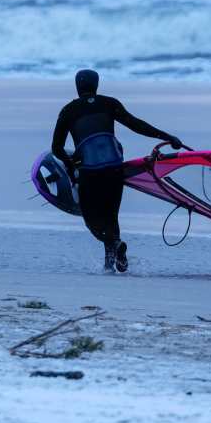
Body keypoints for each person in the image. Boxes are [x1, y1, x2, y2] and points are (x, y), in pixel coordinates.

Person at [52, 69, 183, 273]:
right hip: (114, 167)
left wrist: (72, 164)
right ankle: (110, 262)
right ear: (96, 85)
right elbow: (136, 125)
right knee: (111, 216)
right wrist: (167, 137)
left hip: (90, 171)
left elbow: (56, 148)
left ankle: (114, 246)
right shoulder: (109, 103)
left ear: (77, 86)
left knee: (92, 220)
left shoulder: (68, 110)